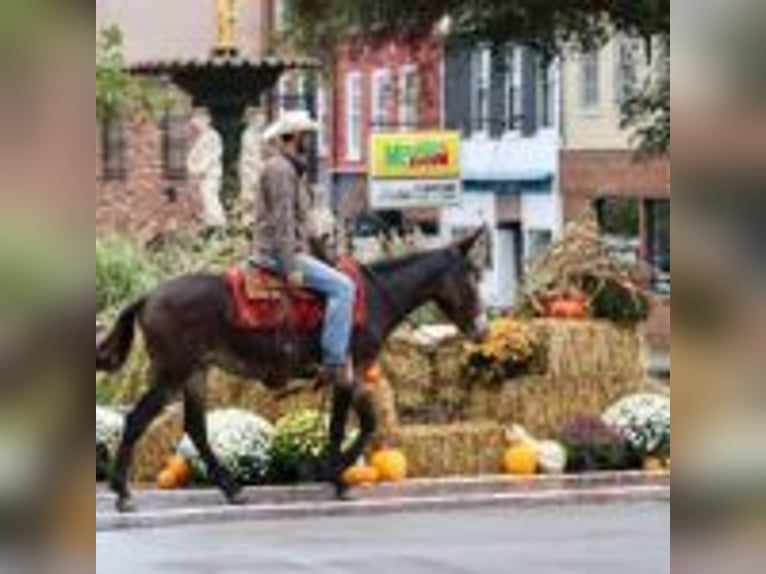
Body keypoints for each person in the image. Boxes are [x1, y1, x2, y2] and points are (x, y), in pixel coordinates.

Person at [251, 111, 355, 388]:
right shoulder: (281, 170)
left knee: (340, 277)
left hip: (287, 251)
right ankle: (334, 362)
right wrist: (290, 266)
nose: (308, 141)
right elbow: (282, 222)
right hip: (276, 255)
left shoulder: (289, 169)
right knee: (344, 287)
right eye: (305, 136)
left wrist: (328, 257)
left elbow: (305, 224)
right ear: (294, 138)